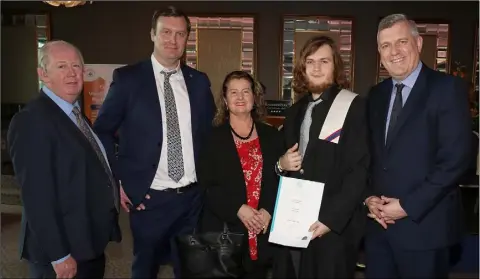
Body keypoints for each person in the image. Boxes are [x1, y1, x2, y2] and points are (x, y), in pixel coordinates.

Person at [93, 6, 215, 279]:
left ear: (187, 39)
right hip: (150, 200)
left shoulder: (199, 82)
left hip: (193, 201)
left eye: (180, 34)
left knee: (191, 270)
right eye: (166, 32)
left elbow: (209, 136)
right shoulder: (128, 79)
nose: (173, 40)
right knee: (145, 270)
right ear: (152, 34)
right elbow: (101, 130)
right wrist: (120, 180)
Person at [365, 14, 472, 278]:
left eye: (402, 42)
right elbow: (368, 156)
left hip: (425, 228)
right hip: (379, 229)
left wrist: (406, 206)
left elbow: (456, 160)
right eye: (386, 45)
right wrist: (367, 198)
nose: (394, 52)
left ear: (419, 43)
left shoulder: (447, 88)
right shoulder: (375, 95)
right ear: (379, 52)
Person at [7, 40, 121, 279]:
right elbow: (36, 196)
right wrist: (59, 255)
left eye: (76, 66)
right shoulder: (32, 120)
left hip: (86, 242)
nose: (72, 73)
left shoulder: (74, 115)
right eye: (61, 66)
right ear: (43, 74)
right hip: (61, 254)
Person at [272, 35, 370, 278]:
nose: (316, 68)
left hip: (332, 225)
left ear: (335, 66)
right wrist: (281, 164)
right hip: (295, 219)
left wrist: (331, 219)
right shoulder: (294, 112)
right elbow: (284, 167)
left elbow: (359, 170)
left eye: (324, 61)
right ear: (302, 69)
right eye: (310, 61)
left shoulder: (354, 107)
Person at [197, 71, 283, 278]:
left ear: (255, 98)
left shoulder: (272, 135)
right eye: (233, 92)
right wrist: (237, 209)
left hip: (262, 225)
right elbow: (207, 186)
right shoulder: (212, 138)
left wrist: (268, 211)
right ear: (225, 100)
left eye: (246, 91)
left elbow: (278, 178)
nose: (240, 97)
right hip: (227, 227)